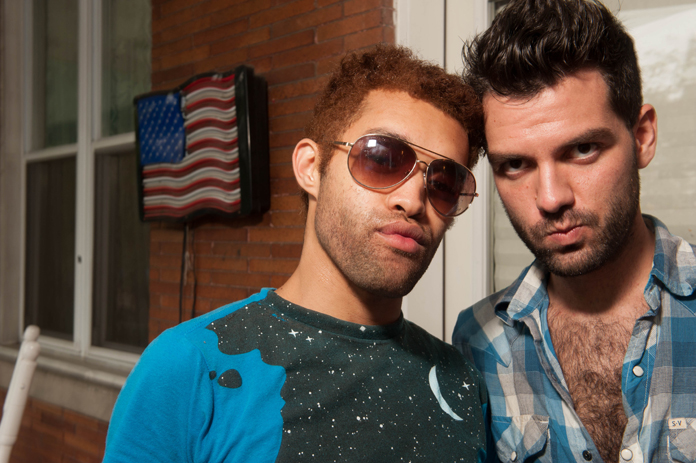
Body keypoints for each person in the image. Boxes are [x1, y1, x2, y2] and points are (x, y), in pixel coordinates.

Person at [103, 44, 493, 462]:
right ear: (311, 168)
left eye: (444, 184)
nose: (413, 201)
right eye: (381, 159)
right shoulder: (189, 367)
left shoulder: (464, 384)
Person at [452, 0, 696, 462]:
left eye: (583, 149)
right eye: (515, 164)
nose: (550, 198)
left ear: (642, 137)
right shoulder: (477, 341)